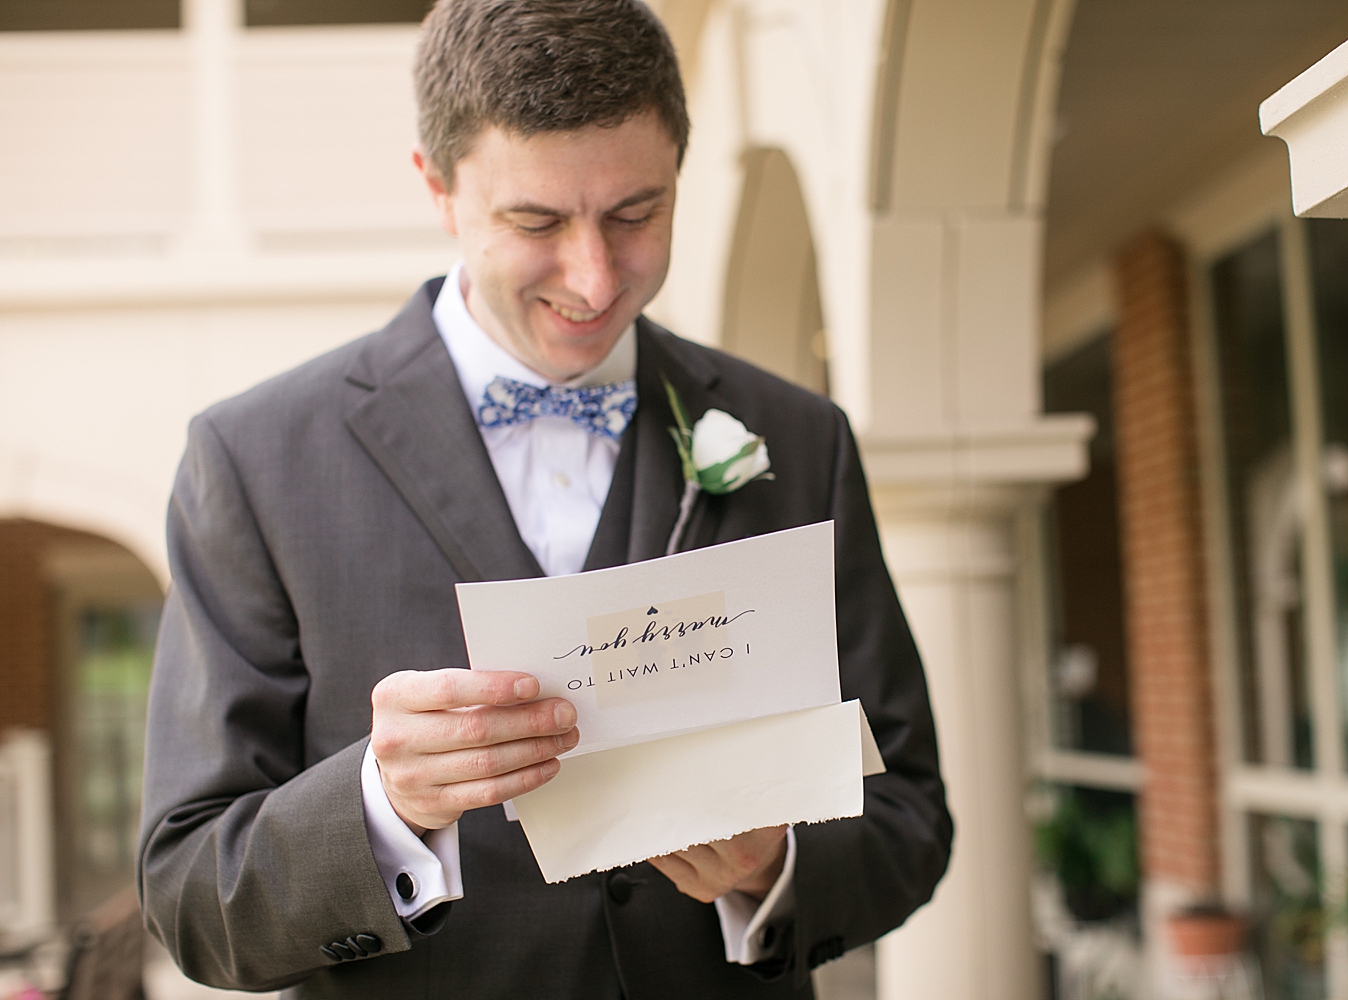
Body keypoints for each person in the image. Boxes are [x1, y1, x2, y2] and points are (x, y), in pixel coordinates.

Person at [137, 1, 950, 996]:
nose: (595, 276)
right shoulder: (255, 461)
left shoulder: (801, 436)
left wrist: (771, 866)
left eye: (635, 213)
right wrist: (383, 805)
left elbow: (910, 814)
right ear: (437, 188)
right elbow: (189, 895)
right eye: (536, 221)